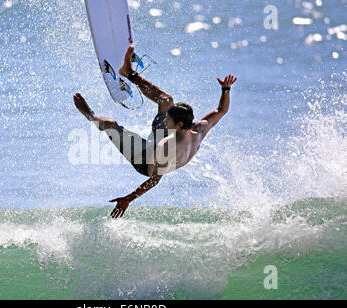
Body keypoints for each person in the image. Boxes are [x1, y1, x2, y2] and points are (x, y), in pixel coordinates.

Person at [73, 45, 237, 218]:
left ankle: (90, 116)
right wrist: (226, 90)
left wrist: (128, 199)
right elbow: (221, 110)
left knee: (111, 125)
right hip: (163, 142)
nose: (165, 120)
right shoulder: (200, 128)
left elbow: (154, 180)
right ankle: (128, 72)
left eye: (169, 120)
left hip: (144, 160)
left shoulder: (169, 148)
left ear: (180, 124)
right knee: (166, 99)